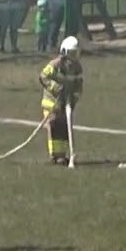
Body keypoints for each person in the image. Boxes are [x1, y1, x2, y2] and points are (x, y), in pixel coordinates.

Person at [38, 36, 84, 166]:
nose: (73, 57)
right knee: (54, 127)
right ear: (64, 52)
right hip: (52, 103)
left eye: (76, 53)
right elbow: (43, 76)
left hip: (66, 103)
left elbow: (78, 85)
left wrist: (74, 98)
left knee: (64, 128)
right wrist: (56, 88)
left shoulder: (77, 68)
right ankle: (55, 155)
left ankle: (62, 156)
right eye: (71, 53)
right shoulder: (55, 64)